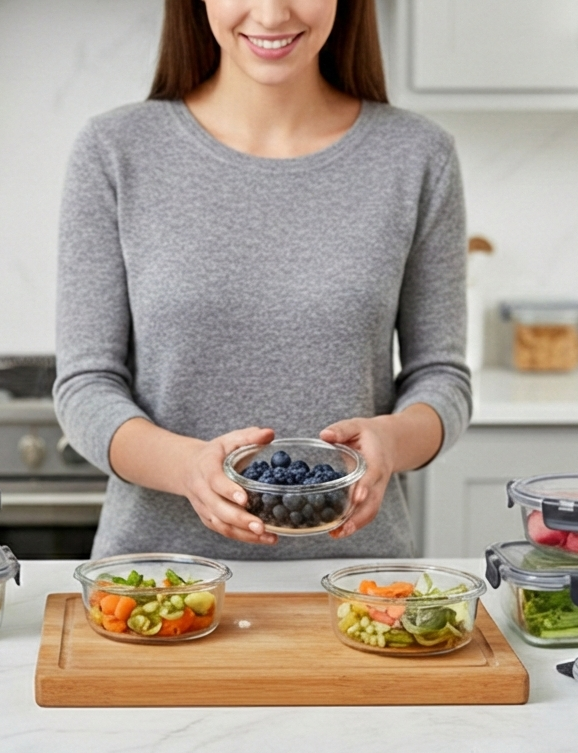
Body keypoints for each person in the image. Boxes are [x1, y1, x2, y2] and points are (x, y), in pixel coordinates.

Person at [53, 0, 471, 559]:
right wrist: (189, 470)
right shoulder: (114, 151)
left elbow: (441, 379)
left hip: (358, 588)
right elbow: (85, 386)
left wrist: (392, 444)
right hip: (158, 586)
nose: (272, 14)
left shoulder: (418, 156)